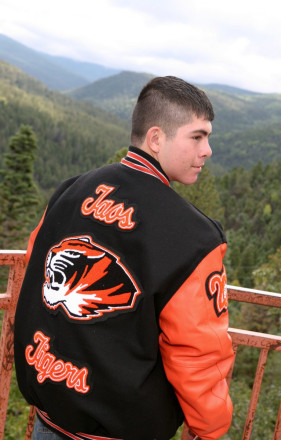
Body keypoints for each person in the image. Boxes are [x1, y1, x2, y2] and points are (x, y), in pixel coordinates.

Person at [14, 76, 234, 440]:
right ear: (156, 138)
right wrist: (208, 427)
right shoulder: (194, 238)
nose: (207, 150)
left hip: (49, 414)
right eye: (197, 136)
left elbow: (31, 278)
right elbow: (196, 352)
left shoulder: (70, 191)